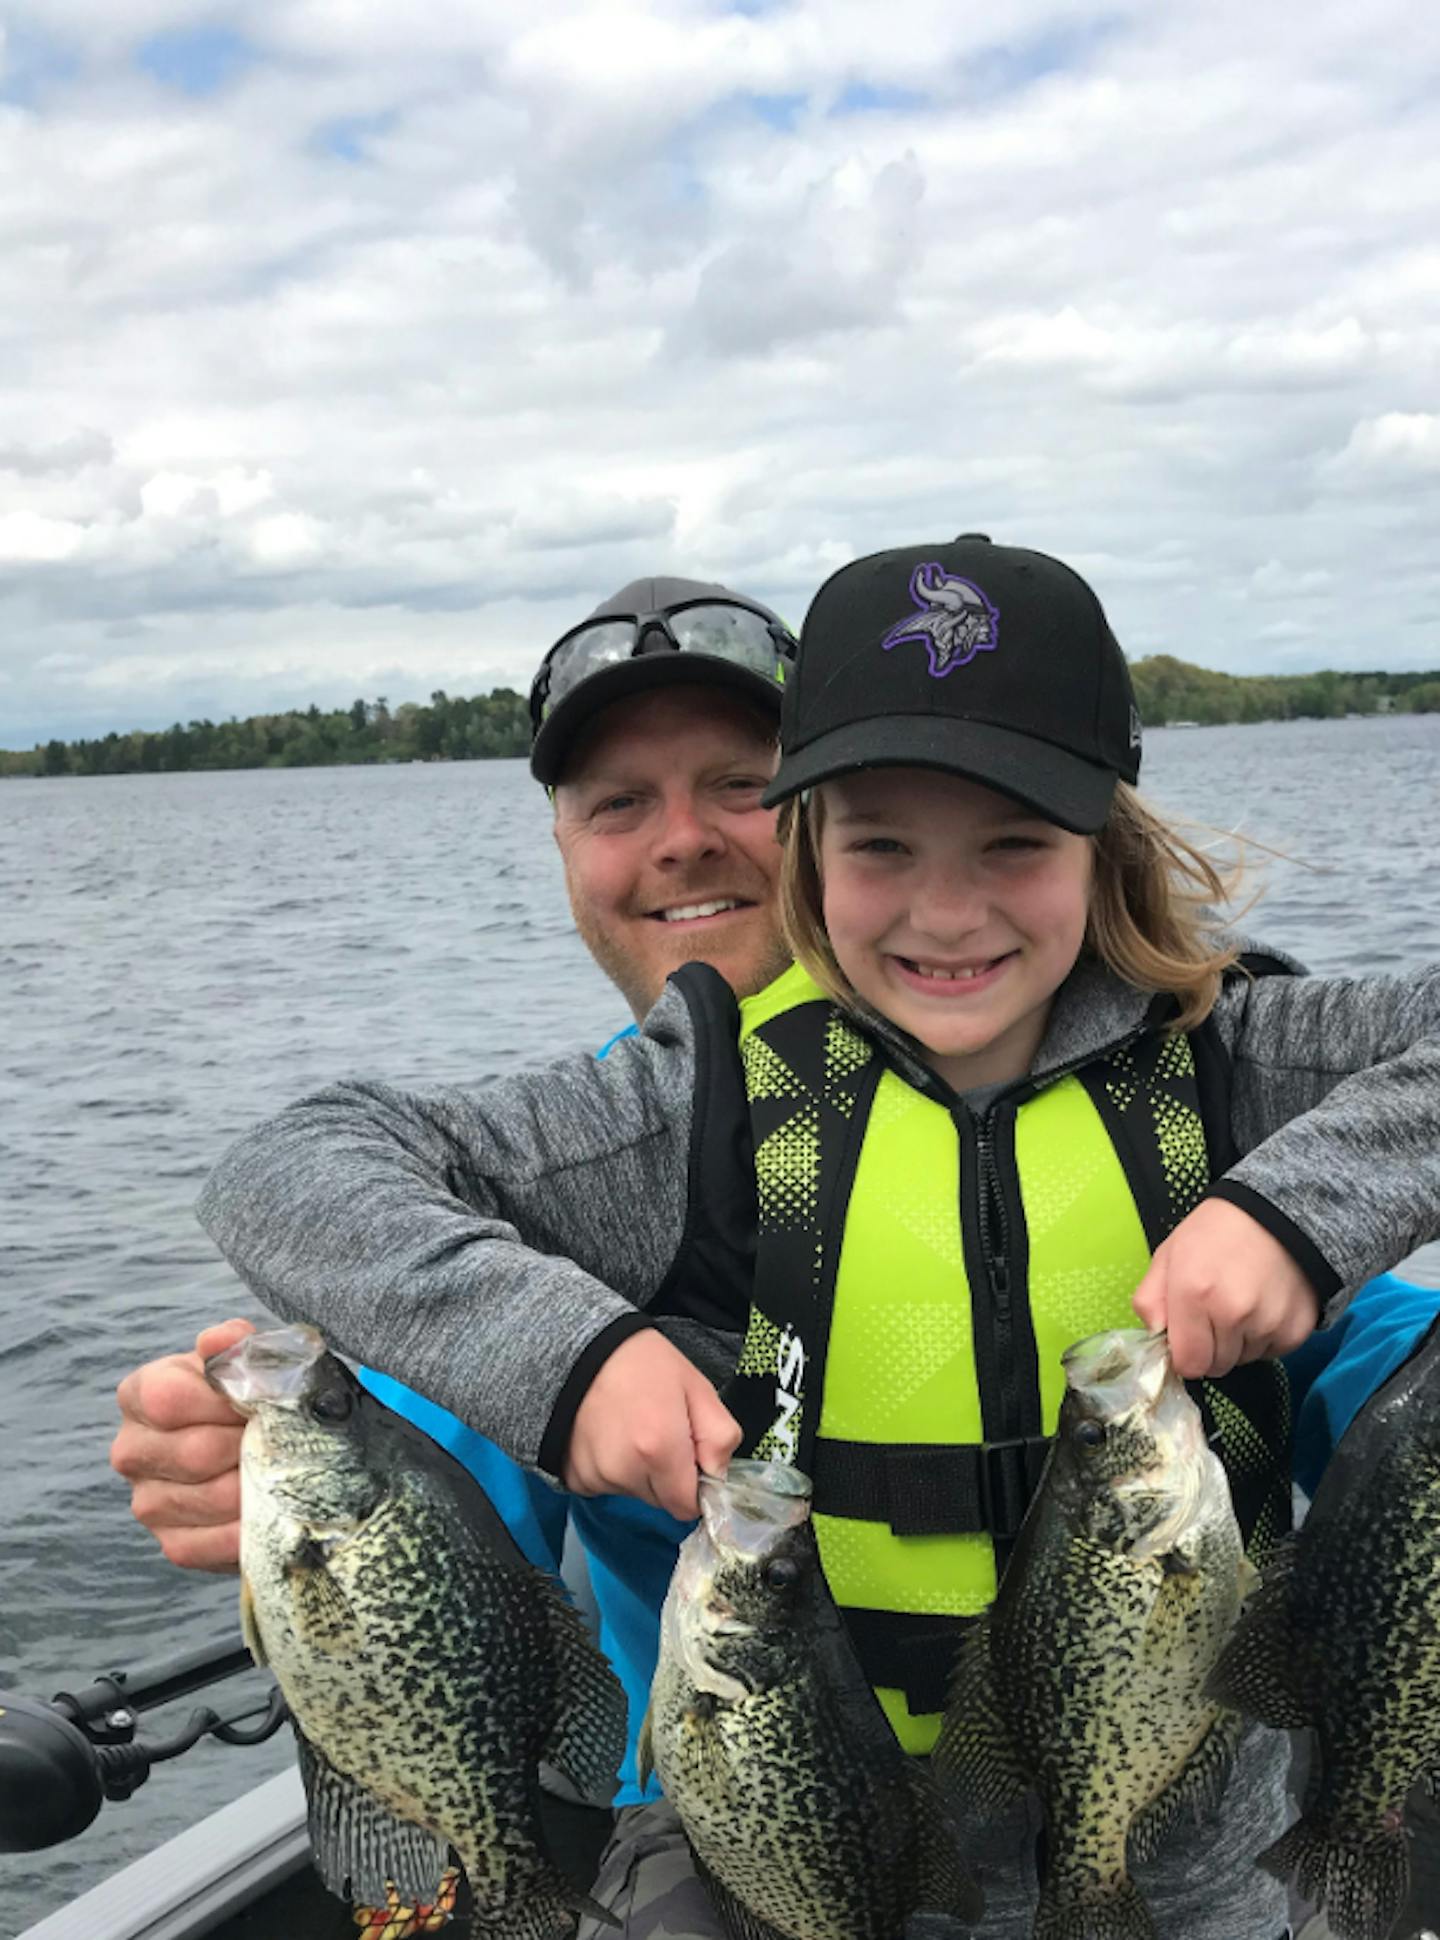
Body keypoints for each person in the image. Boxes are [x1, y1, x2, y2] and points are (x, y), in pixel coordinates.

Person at [180, 535, 1440, 1938]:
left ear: (1106, 840)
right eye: (880, 844)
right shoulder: (693, 1106)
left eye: (1015, 843)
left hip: (1203, 1856)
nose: (946, 910)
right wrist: (573, 1362)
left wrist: (1296, 1212)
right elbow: (286, 1170)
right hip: (798, 1846)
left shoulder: (1241, 1061)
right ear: (806, 850)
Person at [111, 573, 801, 1938]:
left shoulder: (1102, 1097)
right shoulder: (556, 1166)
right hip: (704, 1837)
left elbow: (1350, 1359)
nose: (681, 843)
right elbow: (434, 1418)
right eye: (617, 805)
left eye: (742, 784)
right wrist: (272, 1478)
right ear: (563, 849)